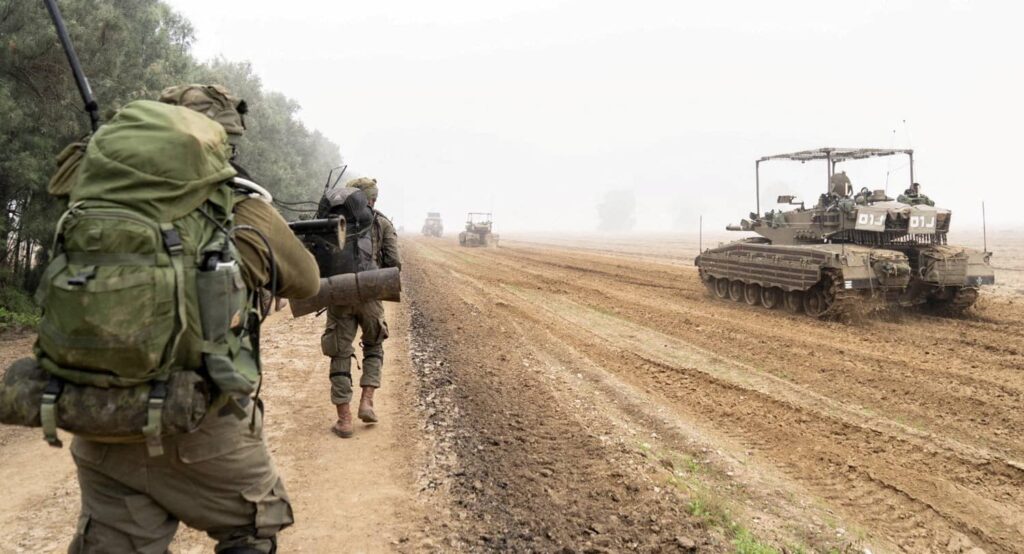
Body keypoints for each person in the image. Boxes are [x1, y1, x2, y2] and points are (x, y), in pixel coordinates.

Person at [66, 85, 320, 553]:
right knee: (253, 527)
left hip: (100, 421)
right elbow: (307, 282)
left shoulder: (96, 199)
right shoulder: (240, 205)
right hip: (200, 424)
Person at [322, 176, 401, 438]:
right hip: (370, 293)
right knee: (374, 345)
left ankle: (344, 420)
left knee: (340, 352)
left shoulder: (331, 221)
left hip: (339, 292)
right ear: (371, 199)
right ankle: (367, 402)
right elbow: (394, 263)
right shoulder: (382, 222)